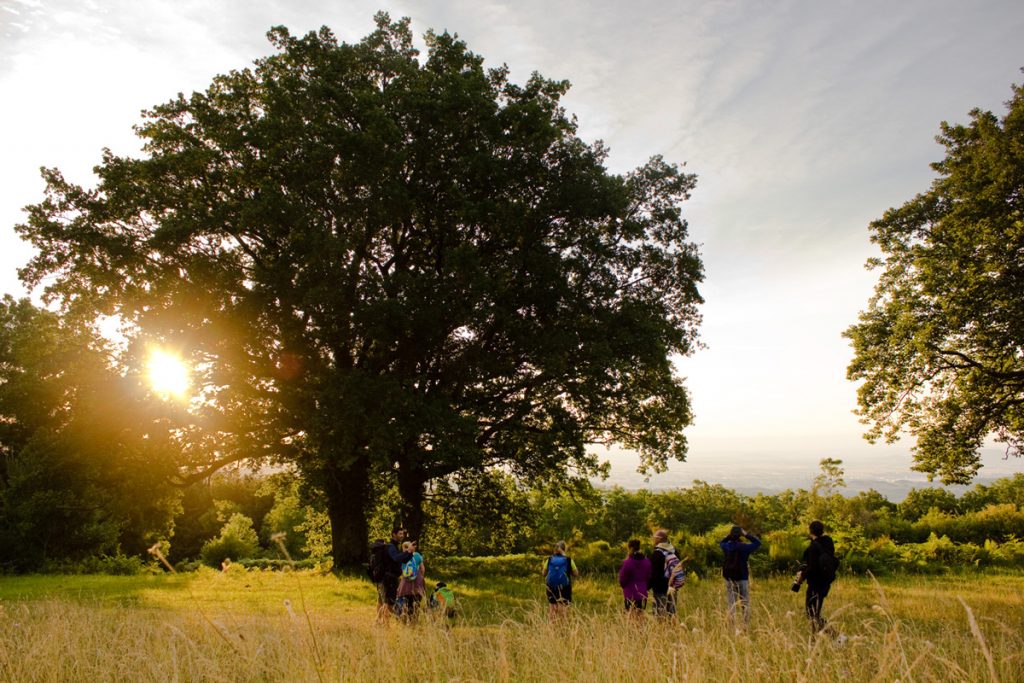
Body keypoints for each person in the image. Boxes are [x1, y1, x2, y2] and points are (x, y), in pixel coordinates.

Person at [798, 520, 837, 634]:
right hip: (826, 583)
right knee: (815, 613)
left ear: (810, 531)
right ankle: (815, 637)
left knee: (811, 614)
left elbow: (812, 568)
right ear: (822, 530)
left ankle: (836, 636)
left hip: (815, 584)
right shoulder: (828, 542)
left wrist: (802, 576)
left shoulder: (813, 548)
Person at [719, 525, 761, 629]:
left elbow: (721, 543)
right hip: (743, 578)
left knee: (731, 603)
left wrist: (729, 536)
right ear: (740, 535)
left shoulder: (727, 547)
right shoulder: (744, 547)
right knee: (745, 603)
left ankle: (731, 626)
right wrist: (746, 534)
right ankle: (745, 626)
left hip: (729, 579)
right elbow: (757, 543)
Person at [381, 527, 413, 621]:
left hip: (394, 577)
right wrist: (407, 551)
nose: (402, 536)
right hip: (389, 577)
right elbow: (396, 558)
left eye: (403, 534)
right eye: (400, 534)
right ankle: (385, 623)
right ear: (394, 534)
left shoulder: (396, 547)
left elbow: (403, 560)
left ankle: (384, 622)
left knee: (390, 600)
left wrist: (410, 552)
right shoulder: (391, 546)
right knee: (389, 601)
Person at [542, 540, 578, 619]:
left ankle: (551, 629)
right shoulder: (569, 560)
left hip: (551, 586)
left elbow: (543, 573)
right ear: (564, 549)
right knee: (564, 609)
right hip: (565, 587)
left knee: (552, 608)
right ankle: (563, 628)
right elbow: (576, 574)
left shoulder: (549, 559)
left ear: (555, 549)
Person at [649, 529, 679, 618]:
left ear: (659, 540)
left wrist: (648, 586)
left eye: (654, 538)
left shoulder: (657, 553)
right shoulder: (674, 551)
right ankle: (673, 630)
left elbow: (653, 573)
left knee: (659, 614)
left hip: (660, 588)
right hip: (672, 587)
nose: (653, 540)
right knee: (672, 613)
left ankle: (661, 631)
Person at [618, 539, 652, 618]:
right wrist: (644, 586)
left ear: (629, 548)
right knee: (640, 616)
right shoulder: (647, 562)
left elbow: (622, 579)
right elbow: (649, 576)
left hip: (630, 593)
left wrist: (625, 586)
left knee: (631, 617)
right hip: (643, 592)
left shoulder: (628, 562)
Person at [395, 539, 426, 619]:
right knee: (417, 599)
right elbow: (422, 569)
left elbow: (400, 570)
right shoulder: (417, 555)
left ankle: (404, 617)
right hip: (417, 580)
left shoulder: (402, 556)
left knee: (405, 599)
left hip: (405, 582)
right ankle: (414, 618)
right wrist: (421, 577)